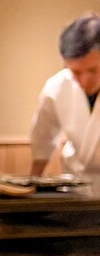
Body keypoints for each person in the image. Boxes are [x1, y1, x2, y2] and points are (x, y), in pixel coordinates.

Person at [29, 13, 100, 176]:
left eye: (93, 70)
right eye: (76, 72)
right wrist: (32, 183)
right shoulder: (57, 87)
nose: (84, 80)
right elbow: (42, 141)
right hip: (75, 182)